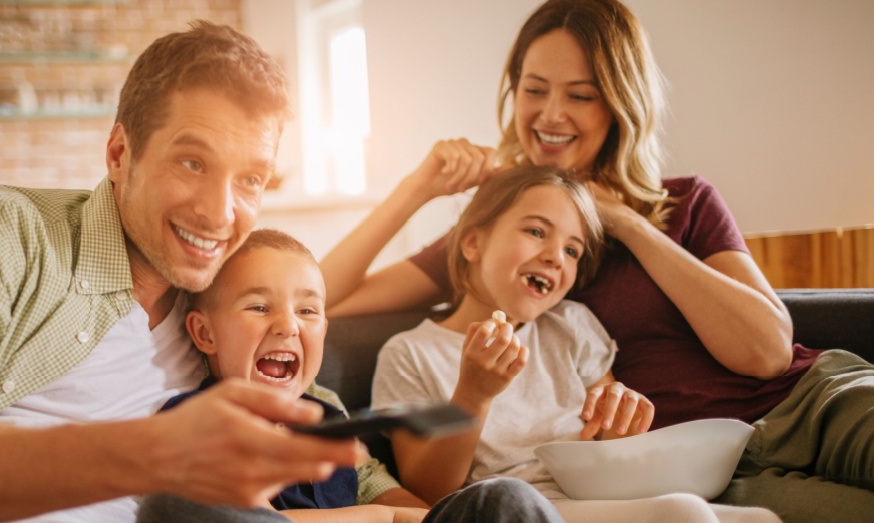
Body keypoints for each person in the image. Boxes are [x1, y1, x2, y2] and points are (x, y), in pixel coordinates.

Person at [0, 21, 365, 522]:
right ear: (120, 154)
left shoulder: (218, 301)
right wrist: (157, 454)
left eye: (251, 179)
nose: (220, 211)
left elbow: (310, 366)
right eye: (191, 161)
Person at [321, 1, 874, 521]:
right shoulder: (499, 239)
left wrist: (626, 221)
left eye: (581, 95)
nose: (551, 114)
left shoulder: (684, 202)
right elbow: (321, 297)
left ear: (618, 103)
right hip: (709, 466)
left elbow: (769, 352)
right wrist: (414, 190)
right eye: (534, 89)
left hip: (809, 403)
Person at [371, 165, 778, 523]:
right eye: (535, 232)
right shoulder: (409, 353)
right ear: (472, 243)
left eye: (572, 250)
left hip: (595, 497)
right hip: (520, 507)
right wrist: (472, 396)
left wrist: (621, 422)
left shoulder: (571, 324)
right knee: (682, 513)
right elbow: (428, 493)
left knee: (760, 519)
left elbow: (609, 447)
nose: (555, 257)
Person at [138, 228, 566, 523]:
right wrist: (383, 518)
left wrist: (408, 514)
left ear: (324, 329)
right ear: (203, 332)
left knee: (504, 498)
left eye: (308, 311)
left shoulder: (330, 419)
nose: (289, 326)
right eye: (259, 307)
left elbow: (407, 508)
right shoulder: (198, 421)